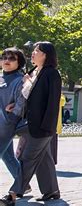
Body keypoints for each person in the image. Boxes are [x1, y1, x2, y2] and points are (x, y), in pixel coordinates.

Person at [2, 42, 62, 205]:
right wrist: (15, 106)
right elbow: (28, 98)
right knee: (43, 159)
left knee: (26, 159)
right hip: (29, 123)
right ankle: (52, 191)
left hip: (42, 126)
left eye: (37, 51)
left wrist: (47, 128)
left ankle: (13, 194)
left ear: (46, 55)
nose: (33, 53)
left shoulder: (52, 74)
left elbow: (52, 103)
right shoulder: (33, 72)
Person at [0, 48, 26, 191]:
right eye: (4, 57)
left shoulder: (20, 80)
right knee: (8, 156)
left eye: (11, 58)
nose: (6, 61)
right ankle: (23, 184)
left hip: (7, 125)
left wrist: (15, 106)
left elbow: (22, 103)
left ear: (19, 62)